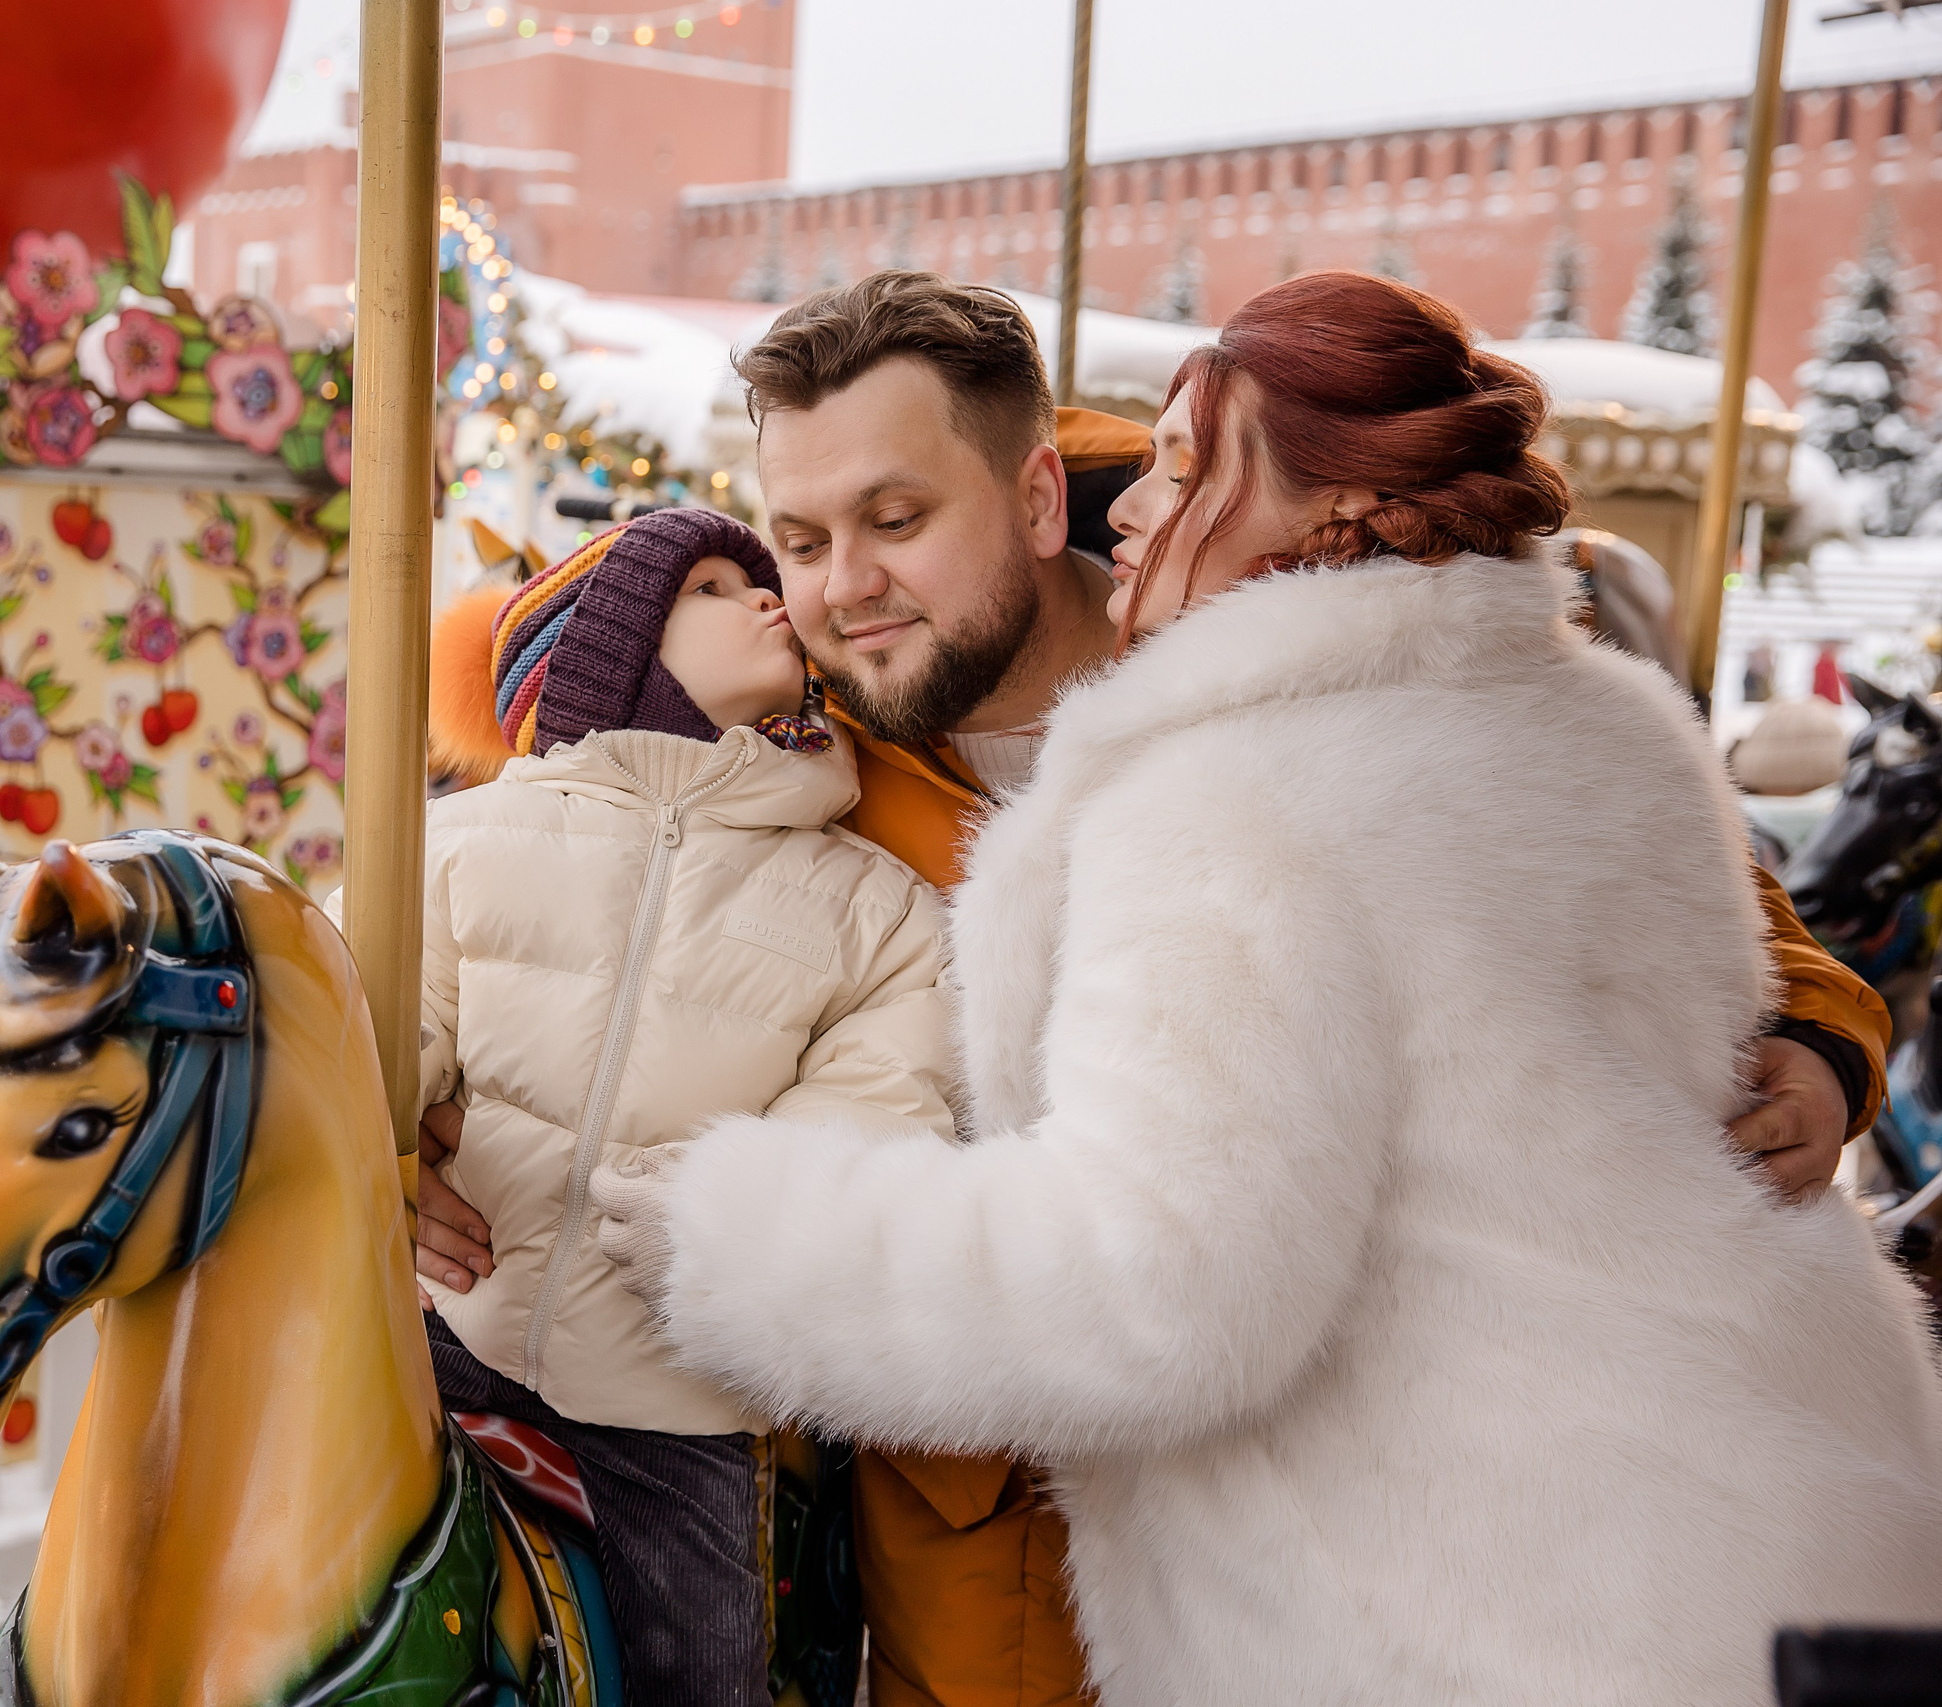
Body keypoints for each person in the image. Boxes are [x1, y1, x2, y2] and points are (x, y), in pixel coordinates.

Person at [415, 271, 1896, 1707]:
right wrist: (401, 1117)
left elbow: (1601, 846)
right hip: (974, 1492)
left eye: (898, 520)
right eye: (798, 538)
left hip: (1361, 1477)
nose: (841, 588)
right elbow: (558, 864)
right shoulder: (796, 761)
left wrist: (1819, 1033)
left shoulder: (1259, 630)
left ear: (1038, 498)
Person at [410, 506, 954, 1706]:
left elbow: (881, 1101)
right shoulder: (467, 842)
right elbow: (369, 1023)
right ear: (607, 647)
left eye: (760, 582)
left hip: (668, 1399)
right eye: (710, 587)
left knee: (702, 1672)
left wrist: (724, 1210)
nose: (767, 598)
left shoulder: (871, 906)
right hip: (444, 1331)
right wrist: (379, 1150)